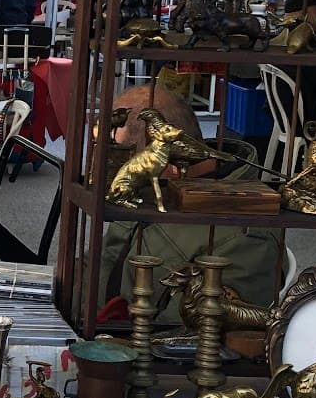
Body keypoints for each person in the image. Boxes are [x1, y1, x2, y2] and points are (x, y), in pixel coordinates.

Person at [99, 83, 282, 309]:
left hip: (132, 338)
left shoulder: (245, 239)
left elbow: (188, 332)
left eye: (120, 163)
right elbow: (97, 265)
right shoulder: (149, 192)